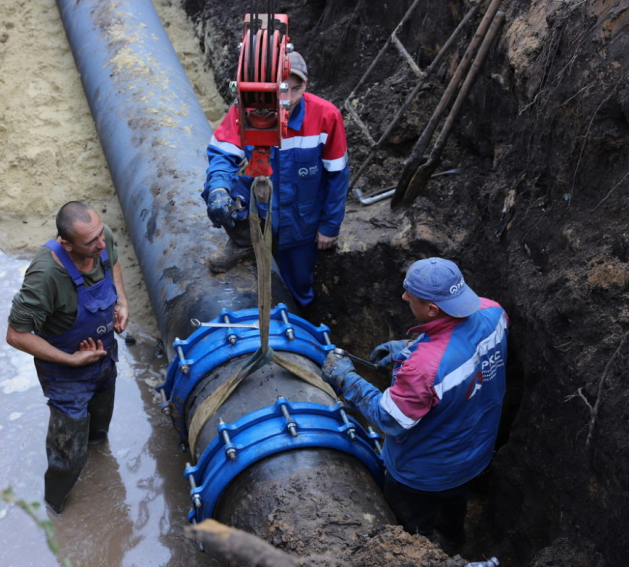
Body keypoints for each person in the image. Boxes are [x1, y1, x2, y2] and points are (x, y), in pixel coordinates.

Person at [321, 257, 508, 551]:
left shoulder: (424, 369)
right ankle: (454, 544)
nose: (404, 297)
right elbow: (462, 344)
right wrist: (407, 348)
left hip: (422, 472)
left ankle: (426, 551)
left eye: (411, 295)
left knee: (413, 532)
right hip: (474, 453)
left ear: (432, 309)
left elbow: (388, 419)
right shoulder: (494, 312)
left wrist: (346, 380)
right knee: (453, 510)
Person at [6, 201, 129, 514]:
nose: (100, 244)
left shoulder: (102, 239)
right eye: (90, 243)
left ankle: (100, 463)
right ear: (66, 243)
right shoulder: (45, 275)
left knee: (99, 432)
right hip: (67, 375)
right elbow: (16, 334)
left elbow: (112, 260)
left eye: (101, 236)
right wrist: (71, 360)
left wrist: (122, 302)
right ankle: (56, 509)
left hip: (103, 360)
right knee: (68, 457)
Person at [202, 51, 349, 306]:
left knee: (299, 285)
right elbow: (222, 156)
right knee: (221, 186)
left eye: (295, 89)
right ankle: (243, 242)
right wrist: (217, 191)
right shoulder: (246, 111)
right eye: (281, 89)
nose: (287, 99)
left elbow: (337, 176)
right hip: (259, 209)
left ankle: (299, 317)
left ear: (306, 85)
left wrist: (330, 226)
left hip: (301, 222)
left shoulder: (326, 116)